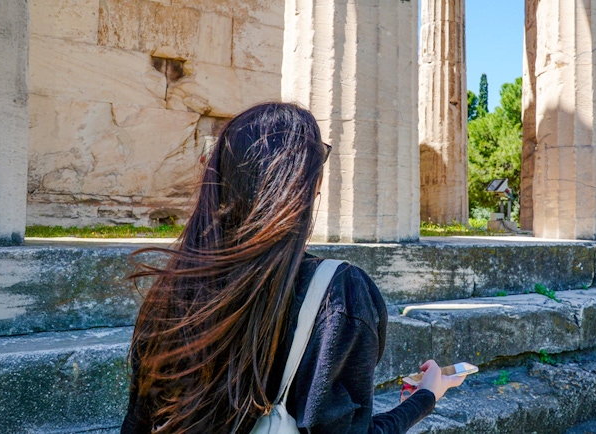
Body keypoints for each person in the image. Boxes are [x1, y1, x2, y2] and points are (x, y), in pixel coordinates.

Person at [121, 102, 466, 434]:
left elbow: (137, 423)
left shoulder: (171, 292)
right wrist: (425, 397)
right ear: (302, 186)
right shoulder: (339, 294)